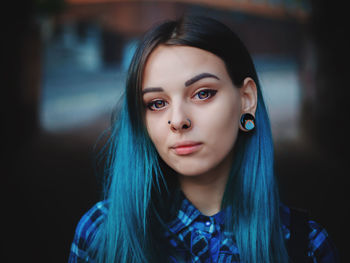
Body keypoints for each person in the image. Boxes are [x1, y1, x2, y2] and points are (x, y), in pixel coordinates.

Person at [68, 16, 338, 263]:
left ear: (246, 100)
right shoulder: (100, 232)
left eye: (203, 93)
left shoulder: (307, 246)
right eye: (157, 103)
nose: (178, 120)